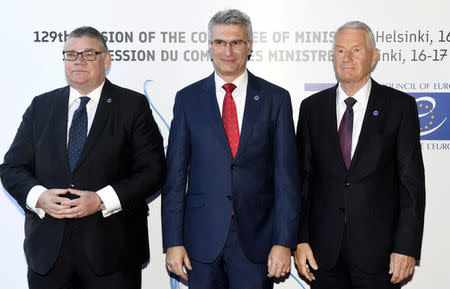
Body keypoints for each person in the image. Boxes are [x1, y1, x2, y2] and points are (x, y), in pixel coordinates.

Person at [0, 26, 165, 289]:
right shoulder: (41, 106)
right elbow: (12, 168)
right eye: (71, 54)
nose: (78, 60)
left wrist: (101, 200)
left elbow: (153, 171)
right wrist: (38, 196)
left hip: (113, 256)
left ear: (106, 60)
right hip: (48, 257)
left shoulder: (132, 106)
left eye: (89, 53)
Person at [161, 9, 300, 289]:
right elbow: (175, 177)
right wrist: (173, 243)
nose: (228, 50)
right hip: (201, 239)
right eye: (220, 42)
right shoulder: (187, 99)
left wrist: (283, 242)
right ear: (209, 47)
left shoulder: (276, 98)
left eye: (236, 42)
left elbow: (287, 178)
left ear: (249, 46)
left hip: (257, 239)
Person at [294, 21, 425, 289]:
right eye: (340, 51)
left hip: (380, 255)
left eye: (356, 49)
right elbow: (301, 181)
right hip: (322, 254)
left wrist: (406, 247)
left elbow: (411, 184)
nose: (347, 58)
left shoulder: (400, 107)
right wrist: (300, 238)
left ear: (374, 56)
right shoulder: (311, 108)